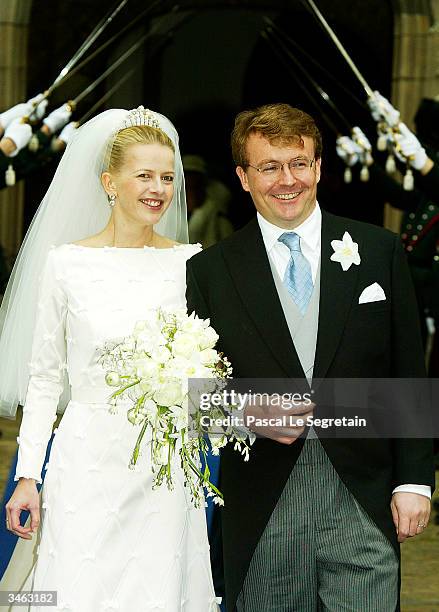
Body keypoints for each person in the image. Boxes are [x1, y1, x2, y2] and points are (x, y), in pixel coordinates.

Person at [186, 103, 435, 612]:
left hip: (363, 496)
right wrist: (248, 412)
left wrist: (414, 481)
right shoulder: (209, 272)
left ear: (319, 167)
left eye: (299, 163)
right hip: (263, 500)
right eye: (269, 166)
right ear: (243, 176)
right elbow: (193, 397)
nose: (287, 180)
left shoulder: (380, 250)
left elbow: (408, 371)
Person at [0, 107, 219, 611]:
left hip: (165, 466)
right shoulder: (67, 263)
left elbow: (210, 365)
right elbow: (44, 378)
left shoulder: (191, 263)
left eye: (167, 177)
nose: (158, 189)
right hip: (87, 460)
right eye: (143, 175)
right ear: (109, 182)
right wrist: (28, 476)